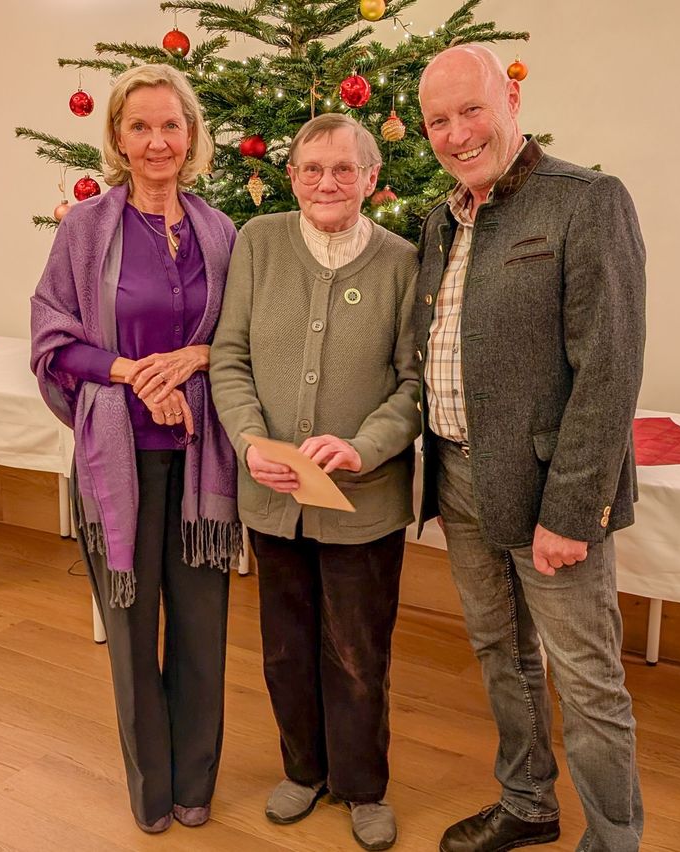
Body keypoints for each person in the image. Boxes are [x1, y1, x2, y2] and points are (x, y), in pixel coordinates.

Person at [416, 45, 646, 852]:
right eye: (437, 121)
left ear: (511, 100)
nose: (456, 133)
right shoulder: (440, 218)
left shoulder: (586, 201)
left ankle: (614, 840)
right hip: (458, 478)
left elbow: (609, 371)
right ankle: (527, 803)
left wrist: (574, 509)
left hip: (553, 493)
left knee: (586, 680)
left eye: (470, 110)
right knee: (499, 653)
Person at [31, 64, 241, 835]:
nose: (157, 141)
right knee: (130, 627)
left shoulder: (222, 232)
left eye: (171, 125)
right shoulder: (86, 229)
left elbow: (245, 339)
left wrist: (199, 358)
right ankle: (152, 792)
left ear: (193, 135)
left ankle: (196, 786)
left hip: (200, 464)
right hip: (118, 457)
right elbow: (54, 339)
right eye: (140, 126)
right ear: (118, 137)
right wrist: (129, 374)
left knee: (200, 628)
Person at [209, 112, 419, 852]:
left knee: (359, 650)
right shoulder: (258, 244)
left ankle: (363, 785)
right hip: (273, 496)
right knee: (285, 645)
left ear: (371, 177)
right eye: (310, 169)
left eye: (343, 169)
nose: (326, 183)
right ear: (290, 174)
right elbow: (228, 357)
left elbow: (414, 385)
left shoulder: (402, 261)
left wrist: (365, 446)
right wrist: (248, 438)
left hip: (365, 503)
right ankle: (302, 768)